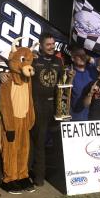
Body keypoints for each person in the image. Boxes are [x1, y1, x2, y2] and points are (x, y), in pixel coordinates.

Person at [30, 32, 63, 186]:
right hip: (39, 105)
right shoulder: (34, 60)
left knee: (58, 141)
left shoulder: (58, 61)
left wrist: (70, 75)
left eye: (53, 44)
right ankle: (39, 177)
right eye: (48, 44)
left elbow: (63, 82)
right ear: (41, 45)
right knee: (40, 142)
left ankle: (59, 173)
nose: (52, 47)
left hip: (56, 106)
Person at [69, 47, 97, 121]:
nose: (82, 57)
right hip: (77, 115)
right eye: (79, 55)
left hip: (94, 114)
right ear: (73, 58)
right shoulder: (69, 72)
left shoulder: (92, 69)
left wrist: (89, 59)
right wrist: (70, 78)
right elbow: (65, 92)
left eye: (84, 55)